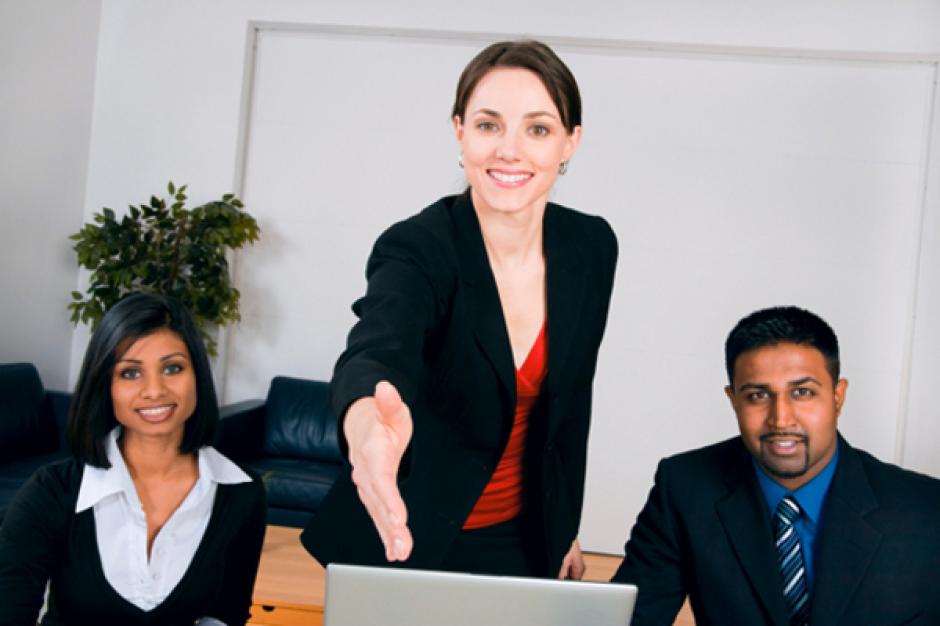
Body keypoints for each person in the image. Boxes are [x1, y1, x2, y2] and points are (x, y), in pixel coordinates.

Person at [301, 39, 618, 579]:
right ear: (460, 131)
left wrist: (563, 523)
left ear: (570, 142)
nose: (510, 150)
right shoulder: (418, 248)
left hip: (523, 541)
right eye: (489, 124)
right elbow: (376, 348)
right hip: (408, 533)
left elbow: (570, 406)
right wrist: (366, 430)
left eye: (538, 129)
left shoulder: (589, 247)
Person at [612, 306, 940, 625]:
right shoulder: (685, 489)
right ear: (733, 400)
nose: (780, 419)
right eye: (758, 395)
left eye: (802, 392)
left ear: (838, 396)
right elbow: (631, 617)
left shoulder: (924, 510)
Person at [0, 293, 267, 626]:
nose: (154, 390)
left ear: (197, 374)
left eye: (173, 368)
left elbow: (226, 615)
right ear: (105, 385)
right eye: (130, 373)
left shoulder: (241, 492)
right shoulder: (53, 492)